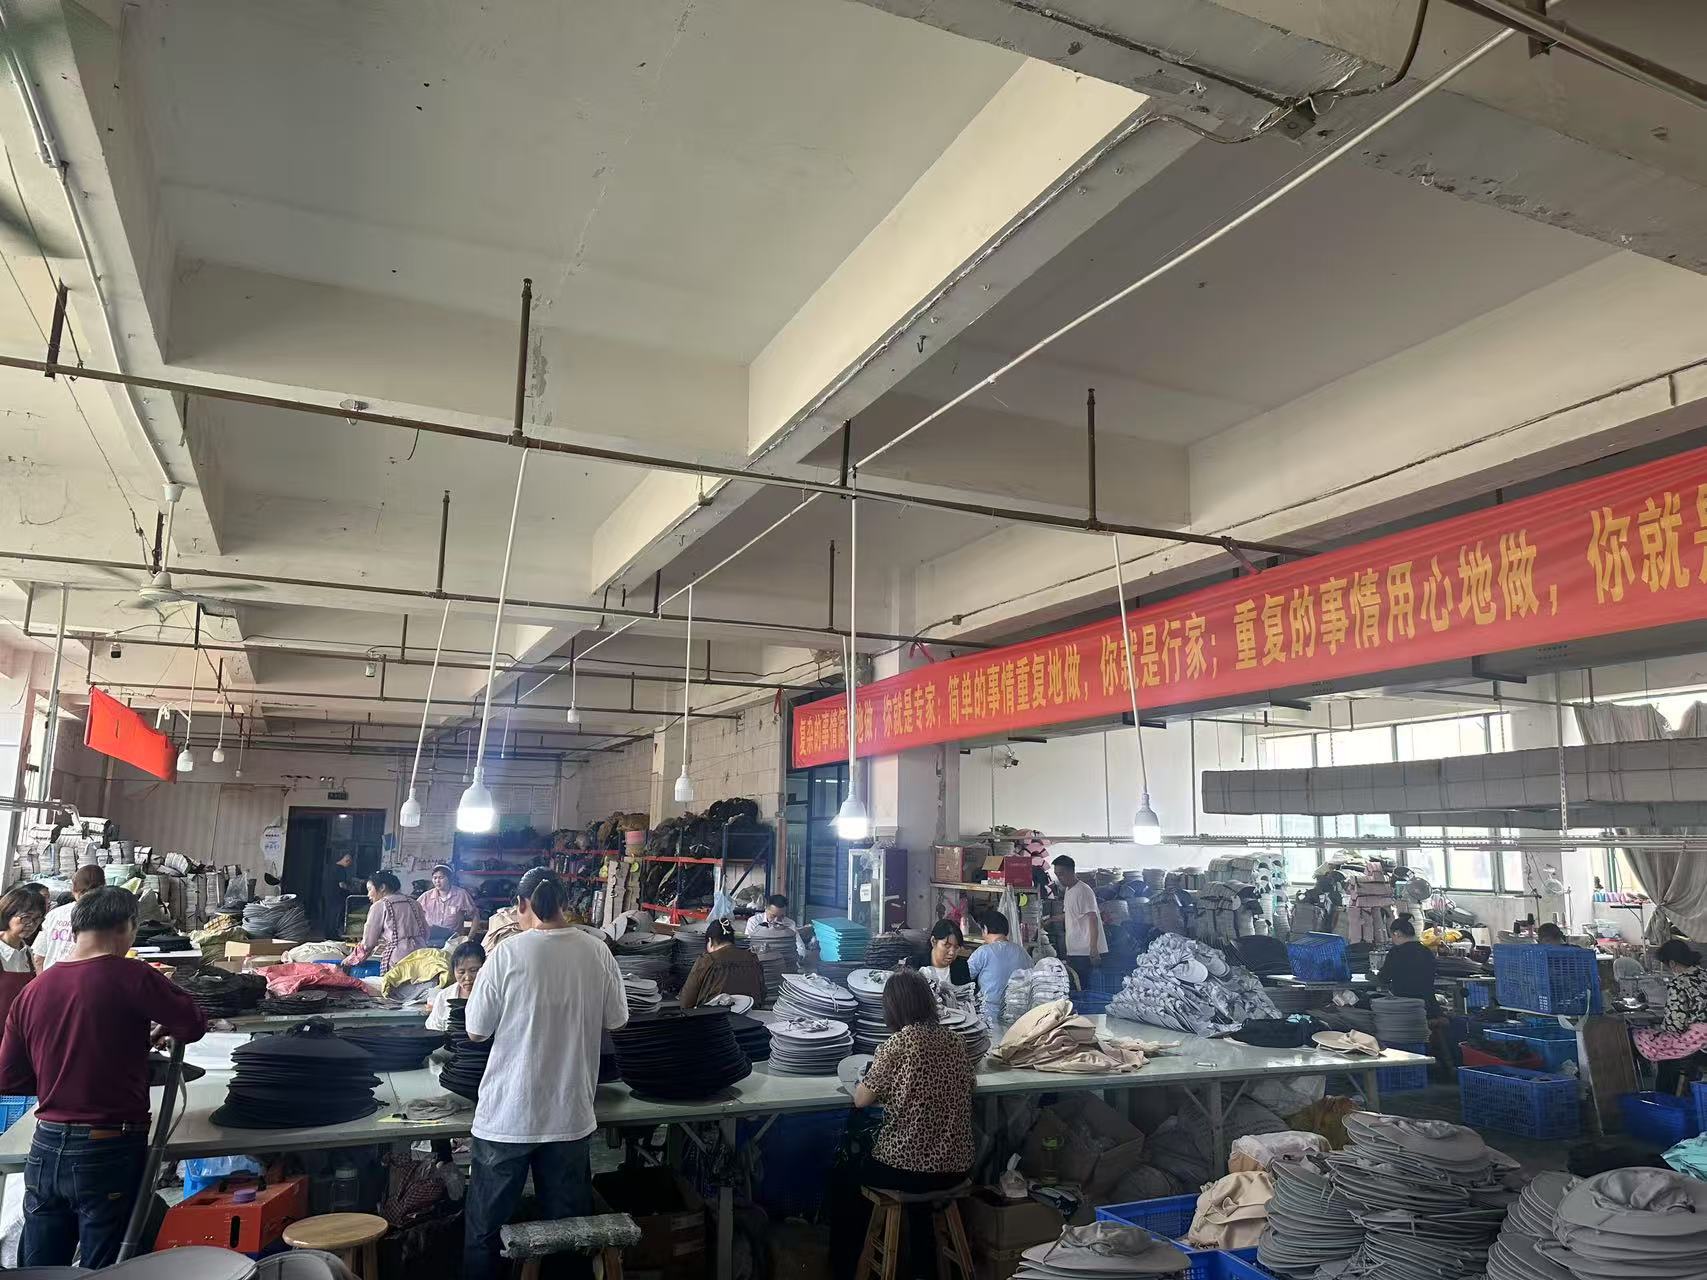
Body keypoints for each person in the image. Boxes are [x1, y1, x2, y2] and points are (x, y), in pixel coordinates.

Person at [0, 886, 206, 1268]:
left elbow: (9, 1078)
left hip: (46, 1146)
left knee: (39, 1269)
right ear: (127, 926)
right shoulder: (133, 975)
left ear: (76, 928)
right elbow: (192, 1024)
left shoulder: (32, 991)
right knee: (106, 1269)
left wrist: (63, 1080)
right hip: (108, 1146)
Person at [462, 867, 627, 1280]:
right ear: (566, 904)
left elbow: (476, 1030)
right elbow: (618, 1019)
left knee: (486, 1235)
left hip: (507, 1117)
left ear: (522, 904)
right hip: (568, 1116)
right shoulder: (596, 951)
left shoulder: (507, 954)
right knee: (568, 1237)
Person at [847, 969, 975, 1280]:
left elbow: (861, 1100)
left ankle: (847, 1266)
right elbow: (970, 1085)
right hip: (956, 1168)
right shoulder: (956, 1041)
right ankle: (923, 1269)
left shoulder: (898, 1044)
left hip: (907, 1172)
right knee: (919, 1182)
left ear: (893, 1007)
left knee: (846, 1173)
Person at [1635, 940, 1707, 1094]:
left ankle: (1667, 1098)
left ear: (1672, 963)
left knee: (1646, 1041)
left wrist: (1662, 1027)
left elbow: (1675, 1026)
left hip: (1700, 1045)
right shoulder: (1705, 975)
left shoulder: (1679, 983)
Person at [344, 871, 431, 972]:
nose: (368, 895)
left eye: (370, 889)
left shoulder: (380, 905)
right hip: (422, 955)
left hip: (398, 959)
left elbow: (368, 943)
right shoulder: (415, 903)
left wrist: (349, 961)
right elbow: (426, 933)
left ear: (382, 887)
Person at [678, 919, 766, 1010]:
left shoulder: (708, 960)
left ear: (710, 940)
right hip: (749, 1015)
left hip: (715, 1016)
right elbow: (762, 993)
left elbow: (687, 1000)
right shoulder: (752, 958)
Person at [33, 867, 104, 973]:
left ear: (73, 889)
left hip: (51, 976)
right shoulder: (106, 915)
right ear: (103, 887)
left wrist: (42, 981)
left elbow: (38, 958)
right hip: (86, 977)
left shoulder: (54, 914)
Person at [1052, 855, 1105, 990]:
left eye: (1061, 874)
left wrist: (1093, 948)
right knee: (1078, 986)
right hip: (1074, 950)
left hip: (1086, 952)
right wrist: (1050, 920)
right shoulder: (1069, 890)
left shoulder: (1083, 890)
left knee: (1086, 989)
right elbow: (1070, 915)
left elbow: (1092, 918)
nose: (1059, 878)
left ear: (1071, 871)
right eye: (1057, 874)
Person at [967, 910, 1031, 1020]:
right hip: (1018, 1015)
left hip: (989, 1015)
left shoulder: (983, 951)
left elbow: (965, 977)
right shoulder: (1022, 952)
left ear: (985, 929)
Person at [1375, 916, 1441, 1013]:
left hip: (1405, 1005)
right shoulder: (1426, 951)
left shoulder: (1396, 952)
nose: (1392, 940)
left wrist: (1376, 974)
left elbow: (1384, 978)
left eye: (1392, 936)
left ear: (1397, 934)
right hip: (1428, 1004)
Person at [426, 941, 486, 1032]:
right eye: (461, 972)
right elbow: (434, 1028)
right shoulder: (444, 996)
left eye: (474, 970)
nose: (467, 977)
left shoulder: (494, 994)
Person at [418, 864, 480, 941]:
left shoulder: (461, 895)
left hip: (453, 940)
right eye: (435, 878)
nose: (437, 881)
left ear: (450, 879)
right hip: (430, 940)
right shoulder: (426, 896)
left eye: (441, 878)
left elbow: (475, 916)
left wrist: (469, 938)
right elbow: (413, 914)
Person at [745, 893, 806, 958]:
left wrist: (799, 957)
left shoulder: (790, 923)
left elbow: (800, 946)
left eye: (781, 916)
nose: (777, 920)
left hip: (784, 958)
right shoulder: (754, 921)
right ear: (766, 909)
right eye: (773, 916)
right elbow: (749, 944)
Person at [0, 886, 46, 974]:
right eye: (26, 917)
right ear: (8, 914)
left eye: (37, 919)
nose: (31, 924)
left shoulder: (27, 953)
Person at [321, 851, 362, 939]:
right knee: (336, 916)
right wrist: (351, 889)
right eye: (350, 861)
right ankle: (333, 935)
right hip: (337, 896)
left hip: (328, 894)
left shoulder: (330, 867)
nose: (350, 863)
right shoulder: (340, 869)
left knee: (329, 915)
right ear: (347, 859)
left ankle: (327, 934)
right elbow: (342, 885)